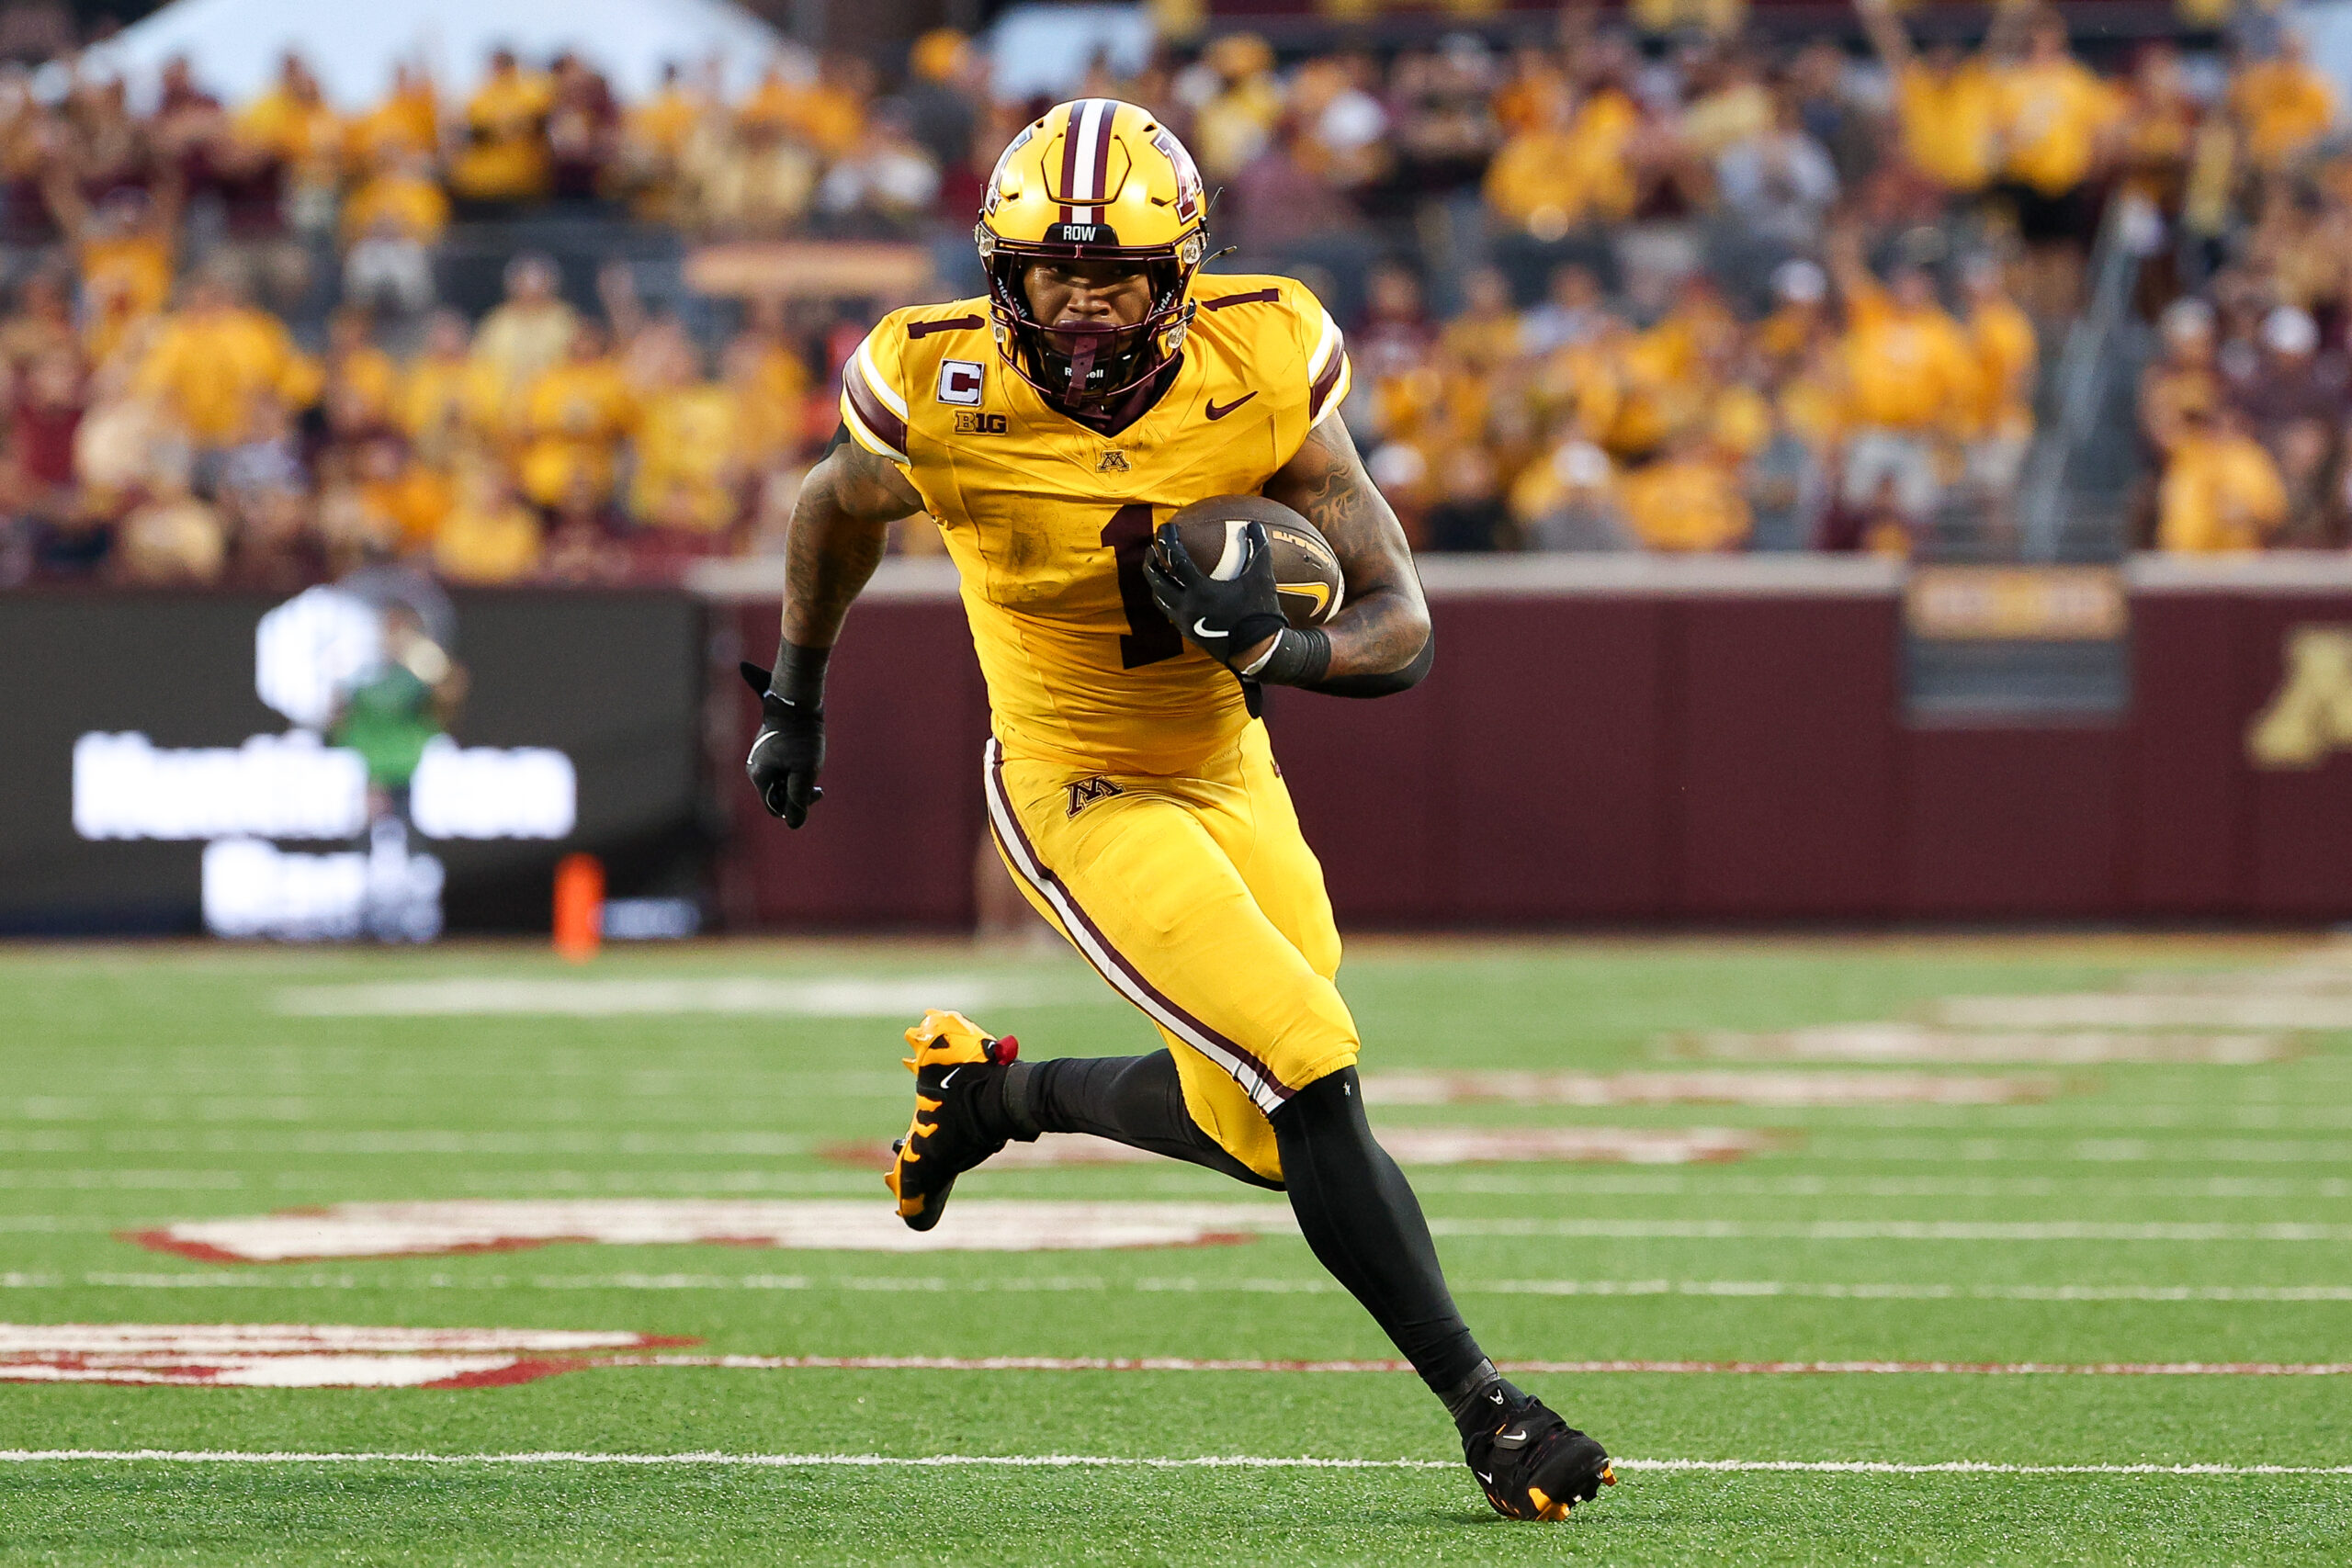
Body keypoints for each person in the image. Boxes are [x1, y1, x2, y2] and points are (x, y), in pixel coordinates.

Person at [741, 98, 1614, 1524]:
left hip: (1228, 764)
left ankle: (990, 1097)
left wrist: (1283, 655)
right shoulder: (937, 385)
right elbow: (832, 509)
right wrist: (796, 693)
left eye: (1116, 278)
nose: (1082, 310)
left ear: (1180, 277)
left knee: (1269, 1121)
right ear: (1000, 275)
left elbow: (1403, 624)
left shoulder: (1262, 358)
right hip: (1075, 784)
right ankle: (1488, 1407)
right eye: (1052, 277)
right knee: (1307, 1061)